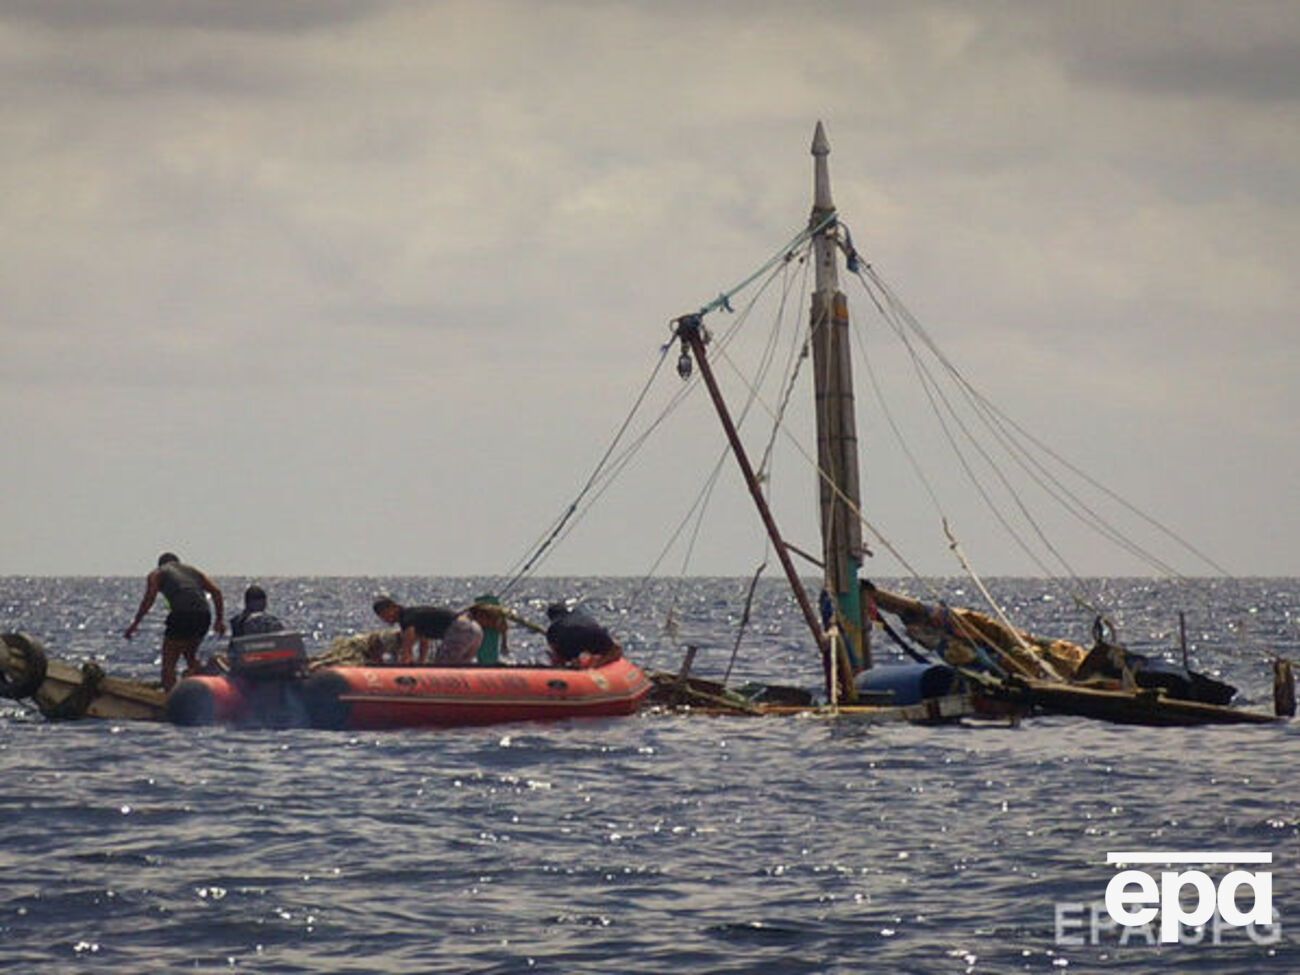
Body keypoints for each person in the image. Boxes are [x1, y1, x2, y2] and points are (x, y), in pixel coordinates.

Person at [124, 552, 226, 690]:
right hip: (203, 616)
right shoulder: (193, 571)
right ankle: (207, 687)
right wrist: (219, 620)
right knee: (190, 657)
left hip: (182, 615)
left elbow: (149, 598)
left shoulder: (157, 573)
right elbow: (217, 592)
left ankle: (168, 699)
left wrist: (135, 623)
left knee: (169, 663)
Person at [371, 595, 458, 665]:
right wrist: (421, 662)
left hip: (459, 629)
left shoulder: (407, 619)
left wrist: (405, 667)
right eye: (381, 616)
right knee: (459, 661)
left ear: (395, 607)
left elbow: (407, 648)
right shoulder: (413, 617)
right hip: (465, 626)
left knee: (444, 663)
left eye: (385, 614)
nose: (385, 618)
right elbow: (424, 642)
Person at [545, 602, 621, 668]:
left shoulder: (553, 629)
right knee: (614, 651)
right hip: (593, 634)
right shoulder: (579, 615)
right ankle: (596, 665)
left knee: (561, 654)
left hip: (569, 640)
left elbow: (556, 653)